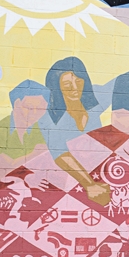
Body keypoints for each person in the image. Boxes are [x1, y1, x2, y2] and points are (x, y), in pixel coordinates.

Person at [39, 57, 113, 206]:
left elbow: (121, 83)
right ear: (57, 88)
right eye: (67, 84)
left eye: (78, 81)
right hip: (66, 179)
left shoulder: (93, 101)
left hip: (100, 169)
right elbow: (59, 153)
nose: (74, 88)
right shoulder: (49, 118)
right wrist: (89, 184)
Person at [0, 80, 50, 197]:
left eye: (40, 109)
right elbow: (3, 170)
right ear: (17, 104)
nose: (34, 113)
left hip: (30, 192)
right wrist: (35, 154)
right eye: (29, 107)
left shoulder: (40, 130)